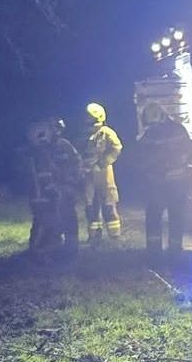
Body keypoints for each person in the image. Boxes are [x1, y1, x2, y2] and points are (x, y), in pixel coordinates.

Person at [137, 102, 192, 261]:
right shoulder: (179, 130)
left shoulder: (150, 135)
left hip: (158, 183)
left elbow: (142, 158)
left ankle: (154, 253)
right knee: (176, 215)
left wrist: (150, 174)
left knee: (154, 215)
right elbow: (189, 152)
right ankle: (175, 250)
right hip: (177, 181)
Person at [22, 117, 83, 260]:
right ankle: (41, 250)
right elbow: (38, 173)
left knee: (68, 217)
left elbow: (76, 162)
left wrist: (72, 181)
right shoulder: (37, 151)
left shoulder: (64, 145)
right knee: (45, 220)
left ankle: (70, 247)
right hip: (46, 193)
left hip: (65, 189)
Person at [82, 102, 123, 244]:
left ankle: (114, 235)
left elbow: (117, 147)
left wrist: (103, 163)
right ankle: (94, 234)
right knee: (90, 205)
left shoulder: (106, 132)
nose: (86, 119)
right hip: (88, 173)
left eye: (88, 116)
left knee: (108, 204)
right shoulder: (85, 134)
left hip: (104, 172)